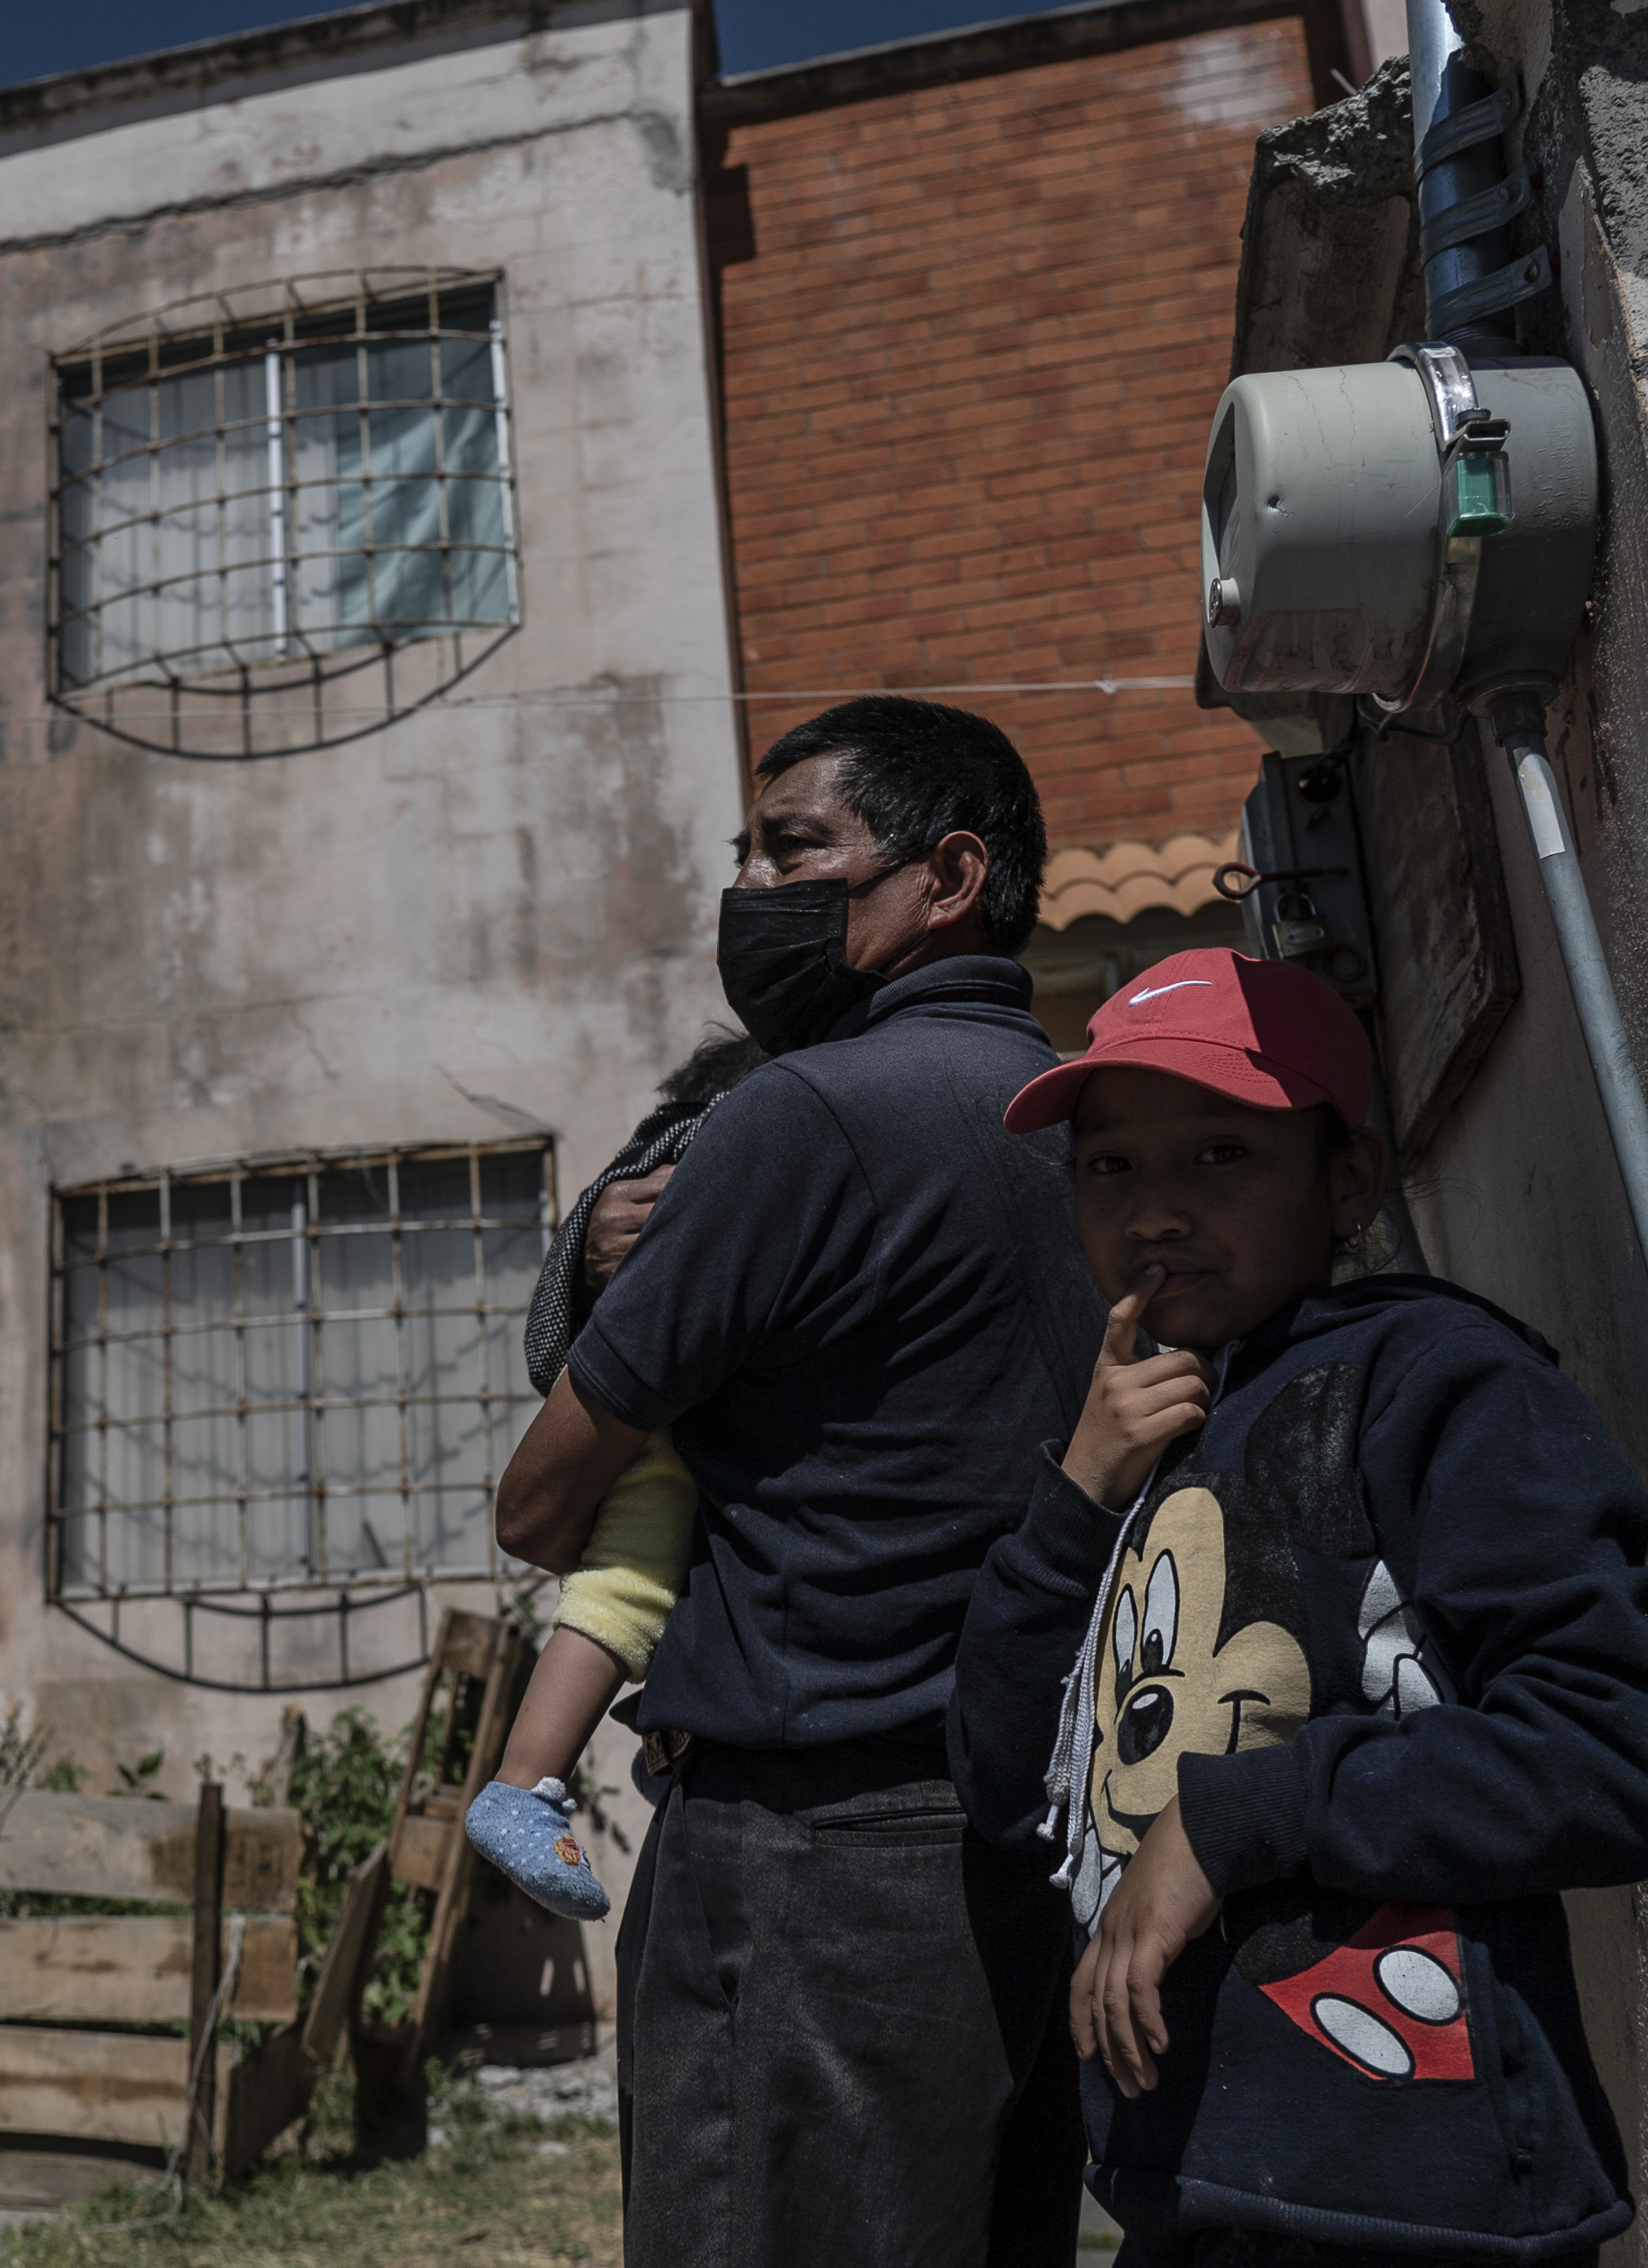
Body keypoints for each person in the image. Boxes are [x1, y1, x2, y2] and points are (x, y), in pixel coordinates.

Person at [950, 947, 1648, 2266]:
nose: (1153, 1213)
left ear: (1350, 1178)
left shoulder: (1439, 1385)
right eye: (1110, 1166)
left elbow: (1628, 1751)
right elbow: (998, 1774)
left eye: (1219, 1157)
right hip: (1185, 2178)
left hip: (1415, 2199)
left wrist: (1232, 1811)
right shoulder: (1147, 1428)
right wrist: (1076, 1496)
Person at [495, 695, 1104, 2264]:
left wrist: (615, 1271)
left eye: (795, 847)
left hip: (806, 1860)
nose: (752, 890)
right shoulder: (1082, 1130)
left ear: (949, 873)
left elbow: (540, 1506)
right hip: (1020, 1841)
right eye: (747, 853)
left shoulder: (802, 1119)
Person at [465, 1029, 759, 1920]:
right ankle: (522, 1781)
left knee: (621, 1589)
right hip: (663, 1419)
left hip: (651, 1408)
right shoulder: (730, 1147)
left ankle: (528, 1779)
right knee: (621, 1589)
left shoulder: (652, 1157)